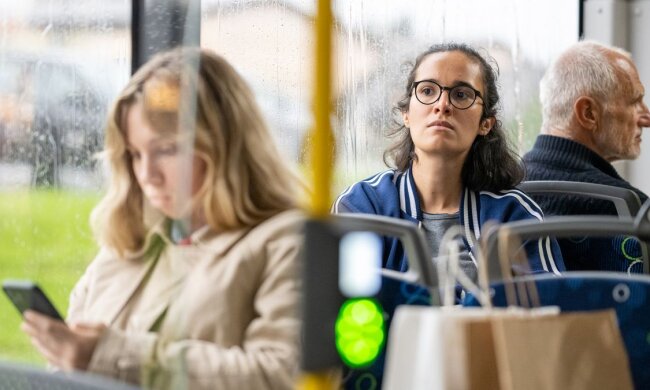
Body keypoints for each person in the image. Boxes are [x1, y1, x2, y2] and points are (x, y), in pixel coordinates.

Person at [20, 47, 304, 389]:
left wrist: (109, 356)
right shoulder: (129, 240)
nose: (146, 175)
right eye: (135, 154)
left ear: (224, 146)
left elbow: (279, 375)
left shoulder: (289, 241)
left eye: (167, 149)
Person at [332, 42, 565, 389]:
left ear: (486, 123)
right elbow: (337, 325)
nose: (442, 104)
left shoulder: (515, 215)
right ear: (406, 113)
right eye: (427, 91)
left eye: (461, 95)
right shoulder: (363, 205)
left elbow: (550, 328)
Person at [523, 41, 650, 273]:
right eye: (634, 102)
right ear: (589, 113)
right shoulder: (634, 212)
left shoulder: (503, 193)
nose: (647, 118)